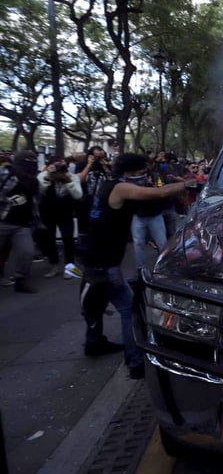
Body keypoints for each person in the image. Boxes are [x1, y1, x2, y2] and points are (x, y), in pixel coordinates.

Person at [80, 153, 193, 378]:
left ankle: (94, 343)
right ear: (131, 171)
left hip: (94, 256)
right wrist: (187, 184)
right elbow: (157, 192)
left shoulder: (107, 184)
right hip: (103, 260)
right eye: (142, 171)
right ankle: (135, 362)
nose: (144, 175)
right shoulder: (121, 187)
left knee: (94, 302)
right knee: (128, 307)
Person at [0, 150, 40, 293]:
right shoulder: (6, 172)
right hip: (3, 220)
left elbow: (34, 201)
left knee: (27, 252)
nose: (32, 164)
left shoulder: (33, 179)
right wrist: (8, 199)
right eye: (28, 161)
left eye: (33, 161)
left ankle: (20, 280)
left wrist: (36, 220)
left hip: (23, 223)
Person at [37, 156, 83, 278]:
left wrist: (68, 182)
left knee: (68, 238)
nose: (59, 170)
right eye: (56, 166)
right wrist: (48, 178)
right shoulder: (43, 176)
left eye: (62, 166)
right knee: (49, 238)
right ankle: (54, 264)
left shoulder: (72, 177)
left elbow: (78, 195)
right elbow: (39, 192)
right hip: (48, 211)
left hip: (65, 212)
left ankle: (70, 267)